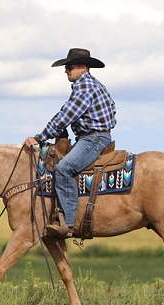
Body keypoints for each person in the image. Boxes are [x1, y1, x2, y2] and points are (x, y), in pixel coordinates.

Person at [25, 48, 116, 238]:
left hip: (93, 138)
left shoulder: (85, 86)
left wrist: (40, 137)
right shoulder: (92, 85)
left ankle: (68, 223)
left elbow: (66, 115)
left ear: (83, 67)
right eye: (66, 67)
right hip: (93, 136)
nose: (66, 71)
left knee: (64, 168)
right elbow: (111, 111)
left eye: (69, 67)